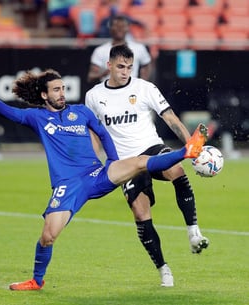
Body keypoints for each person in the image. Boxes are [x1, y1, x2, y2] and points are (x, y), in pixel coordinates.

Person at [0, 69, 207, 290]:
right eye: (56, 90)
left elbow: (103, 134)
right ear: (44, 95)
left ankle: (187, 151)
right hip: (68, 185)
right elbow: (8, 112)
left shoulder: (80, 112)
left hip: (96, 175)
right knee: (48, 236)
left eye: (63, 89)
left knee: (138, 161)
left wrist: (112, 161)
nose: (62, 94)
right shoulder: (36, 117)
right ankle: (36, 281)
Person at [85, 44, 209, 287]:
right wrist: (92, 162)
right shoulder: (94, 96)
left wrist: (194, 148)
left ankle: (194, 232)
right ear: (108, 66)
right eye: (120, 67)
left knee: (176, 169)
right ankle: (163, 269)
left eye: (130, 67)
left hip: (151, 148)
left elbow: (171, 118)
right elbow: (95, 134)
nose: (125, 72)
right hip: (125, 161)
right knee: (141, 214)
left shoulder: (145, 88)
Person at [87, 14, 152, 85]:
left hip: (132, 92)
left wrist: (142, 83)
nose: (120, 28)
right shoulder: (100, 51)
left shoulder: (139, 48)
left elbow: (146, 65)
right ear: (110, 28)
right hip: (109, 92)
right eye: (116, 26)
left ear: (128, 28)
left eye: (123, 26)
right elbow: (91, 76)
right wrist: (104, 74)